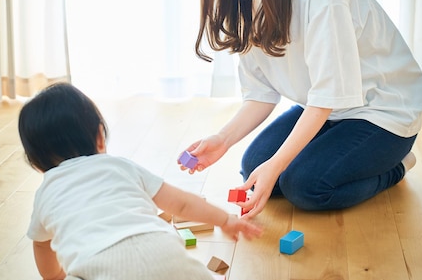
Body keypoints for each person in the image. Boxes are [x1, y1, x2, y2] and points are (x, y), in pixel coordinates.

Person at [179, 0, 422, 219]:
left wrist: (279, 164)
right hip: (326, 108)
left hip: (381, 110)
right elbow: (261, 94)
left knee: (305, 186)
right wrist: (222, 140)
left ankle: (397, 167)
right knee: (254, 168)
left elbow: (327, 95)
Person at [18, 82, 262, 280]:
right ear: (100, 138)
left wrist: (56, 276)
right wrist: (225, 219)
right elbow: (183, 204)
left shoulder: (45, 194)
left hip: (96, 267)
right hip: (164, 255)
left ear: (37, 164)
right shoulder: (121, 167)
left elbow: (41, 246)